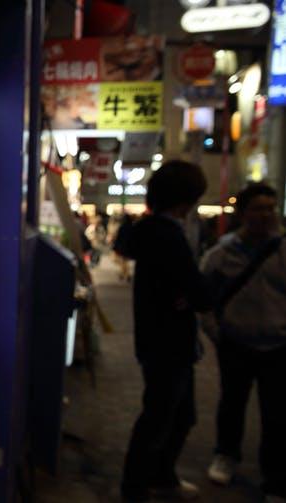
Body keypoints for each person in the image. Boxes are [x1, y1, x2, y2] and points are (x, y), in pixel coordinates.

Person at [121, 160, 211, 502]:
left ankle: (159, 476)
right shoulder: (168, 235)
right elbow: (197, 291)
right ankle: (138, 487)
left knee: (177, 415)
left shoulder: (151, 230)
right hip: (167, 341)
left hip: (157, 338)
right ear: (186, 198)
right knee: (160, 418)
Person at [200, 183, 286, 501]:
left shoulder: (283, 250)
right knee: (232, 402)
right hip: (236, 342)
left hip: (278, 345)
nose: (265, 215)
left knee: (277, 413)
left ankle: (276, 478)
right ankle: (226, 455)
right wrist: (217, 333)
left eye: (270, 208)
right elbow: (204, 299)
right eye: (258, 208)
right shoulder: (221, 254)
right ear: (242, 214)